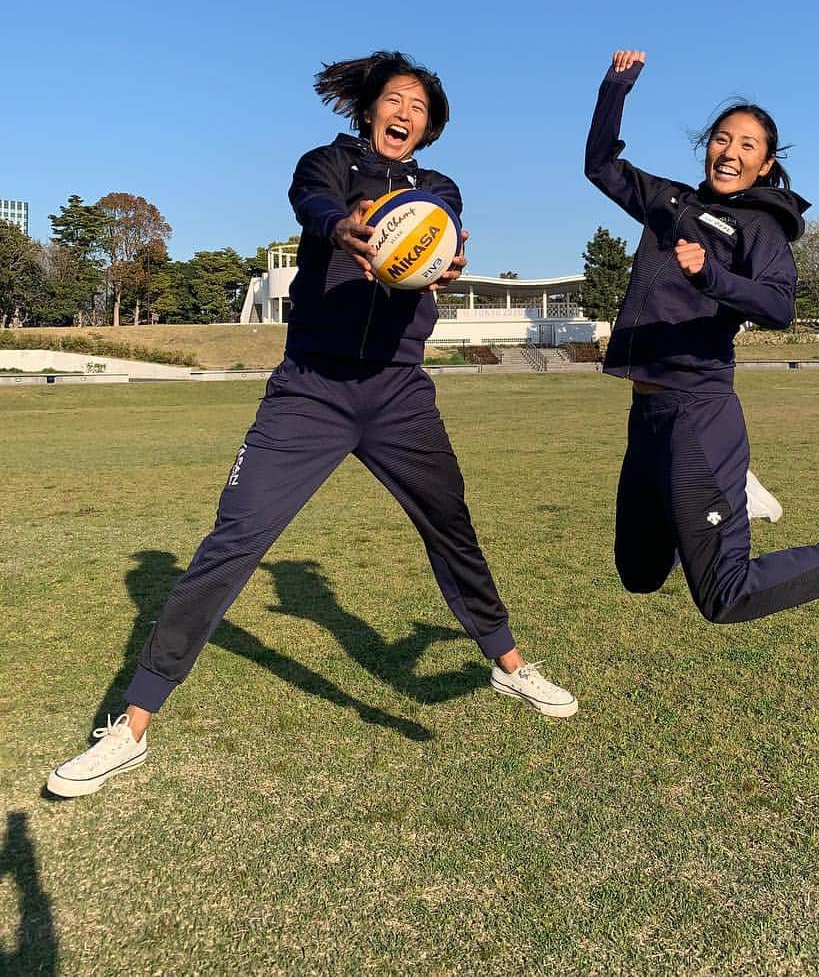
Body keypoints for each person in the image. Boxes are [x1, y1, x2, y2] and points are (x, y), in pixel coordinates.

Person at [48, 51, 577, 798]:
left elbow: (444, 238)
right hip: (312, 391)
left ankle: (508, 662)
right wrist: (348, 227)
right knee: (234, 539)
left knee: (449, 524)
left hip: (398, 391)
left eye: (420, 108)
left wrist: (445, 263)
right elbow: (317, 207)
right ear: (369, 109)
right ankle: (132, 725)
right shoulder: (324, 165)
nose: (405, 114)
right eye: (395, 101)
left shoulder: (439, 189)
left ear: (431, 126)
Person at [584, 50, 819, 627]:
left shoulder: (759, 227)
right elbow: (600, 165)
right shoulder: (669, 203)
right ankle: (732, 485)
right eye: (722, 139)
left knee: (726, 595)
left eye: (748, 146)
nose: (731, 152)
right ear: (707, 148)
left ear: (765, 166)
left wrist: (711, 275)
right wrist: (616, 86)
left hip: (698, 409)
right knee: (639, 573)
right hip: (647, 415)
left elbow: (778, 305)